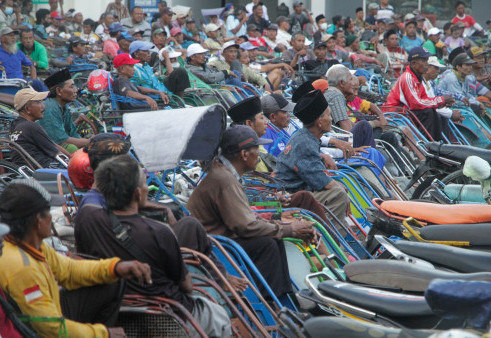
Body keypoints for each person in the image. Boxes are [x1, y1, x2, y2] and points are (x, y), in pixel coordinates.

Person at [75, 155, 233, 337]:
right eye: (144, 185)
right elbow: (187, 286)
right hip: (169, 317)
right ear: (137, 193)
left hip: (113, 312)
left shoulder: (87, 219)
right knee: (218, 313)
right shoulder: (159, 232)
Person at [0, 178, 152, 338]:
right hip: (35, 332)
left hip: (45, 318)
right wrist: (102, 334)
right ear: (38, 220)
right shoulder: (22, 267)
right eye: (49, 211)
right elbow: (50, 328)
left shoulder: (32, 245)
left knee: (114, 280)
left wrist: (115, 267)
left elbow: (69, 270)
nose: (51, 217)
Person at [188, 124, 317, 298]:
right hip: (215, 248)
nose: (260, 156)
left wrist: (282, 225)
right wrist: (288, 229)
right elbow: (245, 226)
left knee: (274, 240)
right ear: (244, 154)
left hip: (223, 240)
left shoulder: (226, 174)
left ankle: (284, 297)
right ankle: (270, 303)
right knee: (267, 245)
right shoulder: (224, 179)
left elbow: (246, 217)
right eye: (257, 150)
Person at [273, 89, 351, 226]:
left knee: (338, 189)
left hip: (299, 191)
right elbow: (325, 183)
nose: (331, 119)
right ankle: (326, 236)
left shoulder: (306, 137)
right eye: (329, 115)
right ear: (319, 122)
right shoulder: (305, 143)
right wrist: (344, 190)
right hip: (289, 197)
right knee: (338, 194)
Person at [387, 47, 454, 141]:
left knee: (436, 113)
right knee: (428, 112)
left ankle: (436, 143)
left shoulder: (418, 78)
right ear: (414, 63)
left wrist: (442, 104)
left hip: (408, 111)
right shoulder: (407, 77)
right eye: (424, 61)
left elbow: (425, 99)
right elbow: (416, 103)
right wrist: (441, 100)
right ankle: (426, 145)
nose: (427, 64)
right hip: (398, 113)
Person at [10, 88, 68, 168]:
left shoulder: (15, 124)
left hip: (24, 168)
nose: (43, 106)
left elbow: (51, 145)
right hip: (40, 169)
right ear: (27, 109)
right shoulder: (31, 126)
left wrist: (71, 156)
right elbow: (57, 154)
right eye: (38, 102)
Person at [39, 69, 89, 152]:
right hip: (46, 150)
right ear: (59, 91)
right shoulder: (50, 108)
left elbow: (73, 134)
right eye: (71, 86)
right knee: (72, 148)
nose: (75, 90)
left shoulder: (64, 108)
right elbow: (62, 141)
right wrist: (90, 142)